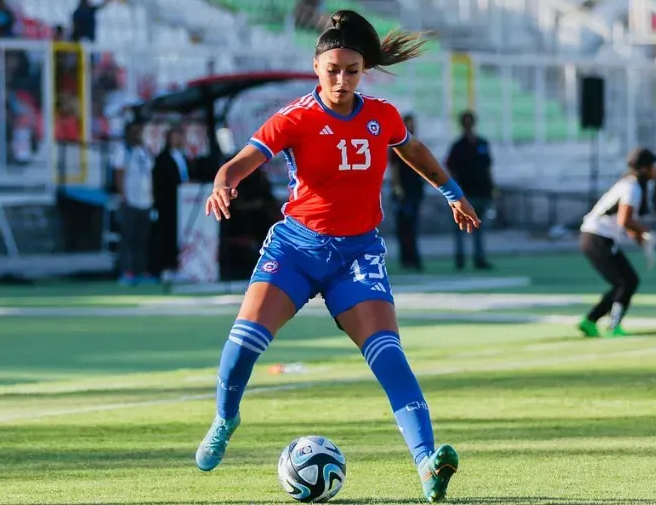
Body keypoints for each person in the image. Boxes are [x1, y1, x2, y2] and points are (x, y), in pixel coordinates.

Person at [193, 10, 480, 503]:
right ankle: (224, 418)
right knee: (244, 342)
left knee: (389, 357)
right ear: (316, 67)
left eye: (352, 69)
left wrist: (451, 191)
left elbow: (413, 152)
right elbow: (237, 164)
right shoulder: (295, 118)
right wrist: (223, 185)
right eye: (334, 69)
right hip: (297, 248)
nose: (343, 79)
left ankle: (427, 465)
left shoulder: (382, 115)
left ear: (362, 69)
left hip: (358, 254)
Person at [578, 147, 656, 338]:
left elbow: (625, 223)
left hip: (594, 237)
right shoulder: (632, 187)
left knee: (622, 282)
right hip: (597, 237)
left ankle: (590, 321)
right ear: (645, 168)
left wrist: (643, 243)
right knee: (627, 281)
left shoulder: (630, 184)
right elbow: (625, 220)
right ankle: (613, 326)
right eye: (653, 165)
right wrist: (646, 231)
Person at [445, 110, 494, 270]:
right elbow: (451, 170)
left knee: (479, 226)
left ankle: (479, 257)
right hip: (464, 193)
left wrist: (491, 187)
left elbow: (488, 168)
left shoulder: (482, 143)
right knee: (460, 227)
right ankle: (460, 258)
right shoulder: (457, 146)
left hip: (481, 191)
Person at [113, 121, 155, 286]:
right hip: (131, 200)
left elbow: (149, 175)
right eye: (134, 132)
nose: (137, 136)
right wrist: (123, 196)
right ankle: (126, 271)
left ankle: (141, 270)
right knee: (128, 238)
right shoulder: (123, 150)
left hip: (146, 201)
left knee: (143, 239)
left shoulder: (144, 151)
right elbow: (119, 174)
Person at [150, 127, 190, 280]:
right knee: (167, 234)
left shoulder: (183, 156)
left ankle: (179, 265)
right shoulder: (162, 158)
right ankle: (166, 267)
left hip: (183, 204)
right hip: (168, 203)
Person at [391, 113, 425, 271]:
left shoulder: (417, 144)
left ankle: (414, 258)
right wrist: (397, 188)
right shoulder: (397, 144)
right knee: (404, 228)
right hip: (403, 193)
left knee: (413, 227)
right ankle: (406, 259)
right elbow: (395, 169)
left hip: (414, 191)